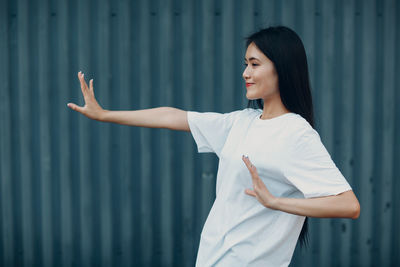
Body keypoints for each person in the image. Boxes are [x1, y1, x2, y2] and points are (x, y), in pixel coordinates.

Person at [67, 26, 360, 267]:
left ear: (281, 68)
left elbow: (348, 205)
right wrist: (105, 115)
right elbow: (174, 116)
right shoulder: (241, 122)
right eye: (245, 64)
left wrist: (277, 202)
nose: (246, 72)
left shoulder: (296, 133)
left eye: (255, 64)